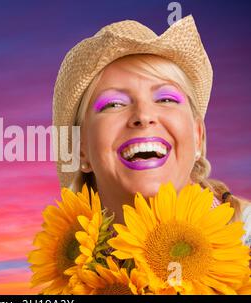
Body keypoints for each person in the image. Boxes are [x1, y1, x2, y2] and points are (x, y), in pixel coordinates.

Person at [52, 15, 251, 245]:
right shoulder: (72, 270)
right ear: (80, 149)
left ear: (198, 136)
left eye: (166, 99)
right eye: (114, 104)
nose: (143, 116)